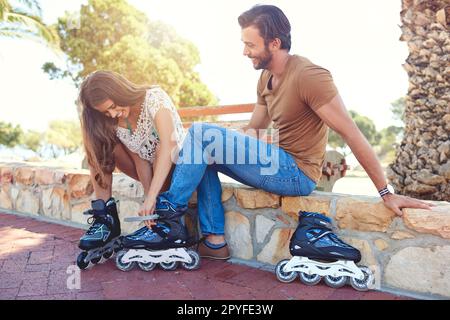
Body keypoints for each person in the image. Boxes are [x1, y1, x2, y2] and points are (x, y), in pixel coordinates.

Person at [139, 5, 432, 260]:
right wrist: (203, 148)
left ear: (274, 43)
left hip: (297, 172)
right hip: (275, 162)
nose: (244, 51)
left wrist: (386, 193)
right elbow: (254, 130)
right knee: (204, 145)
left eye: (250, 45)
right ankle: (215, 242)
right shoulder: (266, 77)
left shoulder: (310, 76)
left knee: (202, 133)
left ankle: (168, 221)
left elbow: (352, 133)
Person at [76, 70, 190, 269]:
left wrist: (153, 196)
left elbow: (169, 146)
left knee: (158, 150)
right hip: (151, 169)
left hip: (175, 166)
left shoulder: (154, 98)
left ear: (119, 92)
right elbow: (140, 159)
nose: (112, 114)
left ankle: (164, 222)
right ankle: (106, 220)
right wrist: (148, 198)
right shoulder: (117, 120)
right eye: (105, 112)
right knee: (97, 147)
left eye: (112, 107)